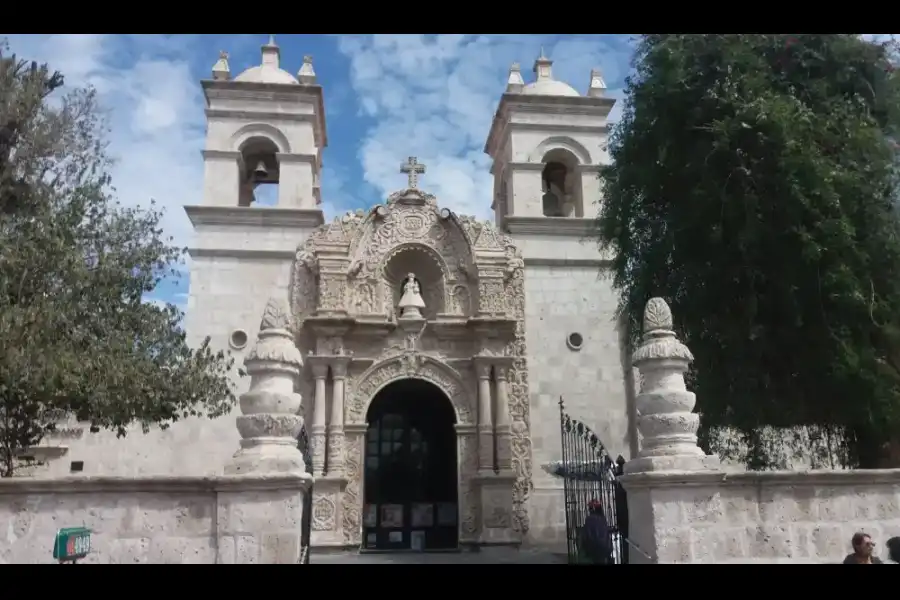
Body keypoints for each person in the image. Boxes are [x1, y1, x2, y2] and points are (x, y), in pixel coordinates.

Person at [579, 499, 613, 565]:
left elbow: (587, 534)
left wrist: (584, 546)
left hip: (594, 547)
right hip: (603, 547)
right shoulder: (602, 518)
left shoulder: (590, 519)